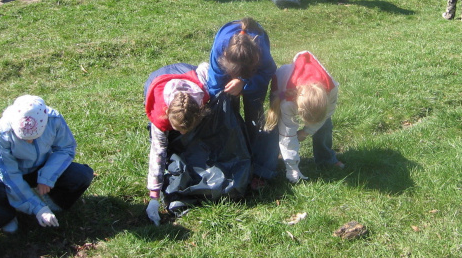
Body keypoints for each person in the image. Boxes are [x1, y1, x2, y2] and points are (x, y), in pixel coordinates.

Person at [0, 96, 94, 234]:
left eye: (34, 137)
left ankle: (46, 201)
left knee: (81, 175)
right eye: (23, 138)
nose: (29, 141)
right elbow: (9, 175)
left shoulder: (54, 119)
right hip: (4, 176)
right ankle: (9, 214)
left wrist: (47, 177)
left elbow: (65, 148)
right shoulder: (0, 133)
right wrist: (37, 208)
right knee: (0, 213)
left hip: (40, 167)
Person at [207, 18, 278, 188]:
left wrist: (244, 84)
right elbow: (214, 86)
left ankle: (258, 160)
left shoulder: (259, 47)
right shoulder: (220, 51)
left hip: (255, 72)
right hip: (231, 62)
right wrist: (222, 112)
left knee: (256, 115)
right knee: (227, 112)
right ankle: (234, 154)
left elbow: (268, 70)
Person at [144, 62, 210, 225]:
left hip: (187, 71)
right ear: (167, 115)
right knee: (165, 145)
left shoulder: (203, 94)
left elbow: (206, 66)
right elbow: (157, 154)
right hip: (157, 80)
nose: (182, 133)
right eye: (178, 128)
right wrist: (154, 196)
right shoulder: (159, 113)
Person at [265, 51, 344, 183]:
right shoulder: (288, 103)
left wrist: (307, 131)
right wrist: (292, 168)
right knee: (277, 127)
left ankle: (326, 159)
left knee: (325, 125)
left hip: (310, 98)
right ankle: (273, 161)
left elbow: (328, 112)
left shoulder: (331, 89)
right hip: (281, 87)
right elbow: (287, 136)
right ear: (298, 109)